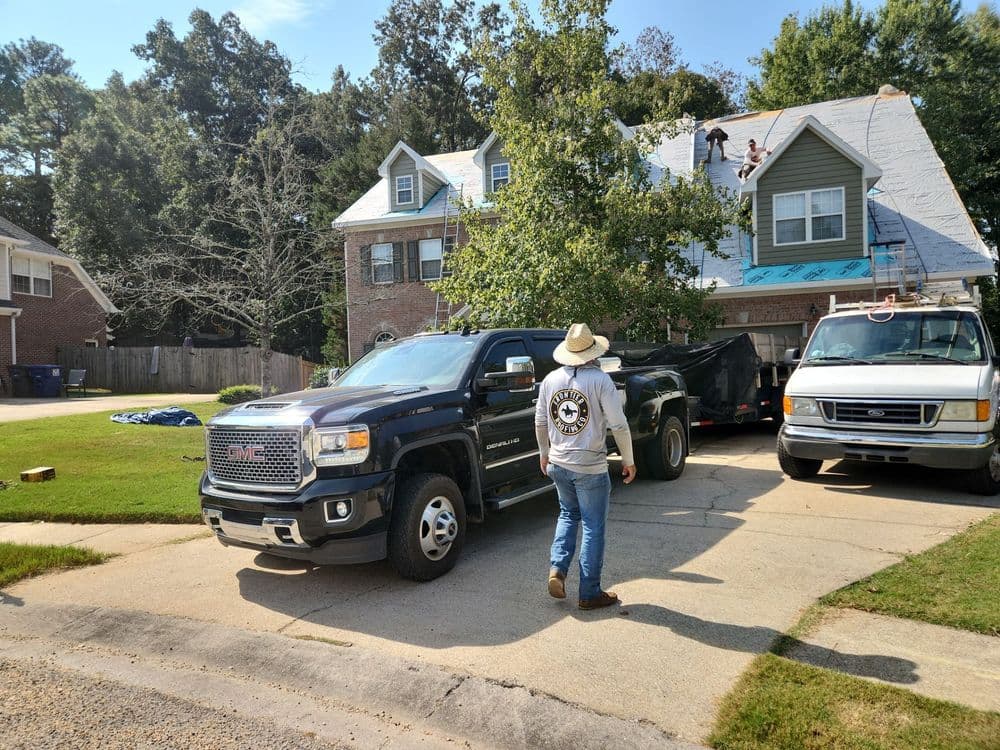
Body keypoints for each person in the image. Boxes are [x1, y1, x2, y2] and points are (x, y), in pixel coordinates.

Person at [535, 323, 637, 610]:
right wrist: (628, 460)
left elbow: (541, 422)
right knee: (593, 526)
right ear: (593, 352)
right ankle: (589, 593)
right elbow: (618, 423)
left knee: (568, 515)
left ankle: (558, 569)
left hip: (558, 462)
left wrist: (544, 454)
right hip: (589, 466)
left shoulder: (550, 380)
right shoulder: (600, 381)